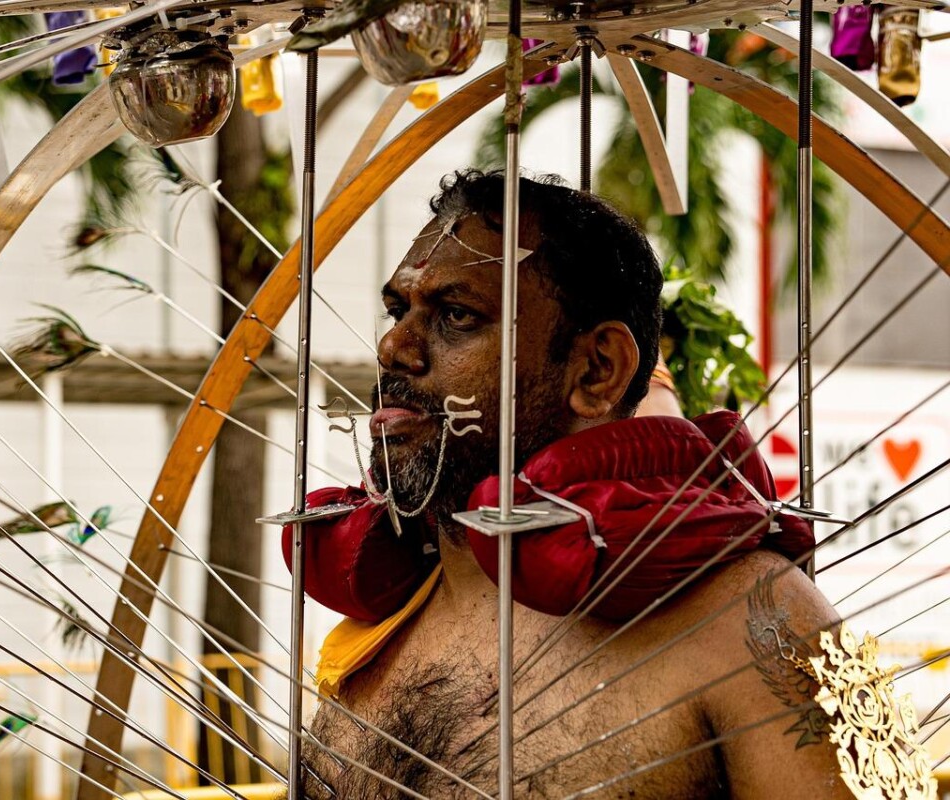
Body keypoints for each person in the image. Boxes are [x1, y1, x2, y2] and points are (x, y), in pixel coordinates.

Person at [295, 170, 852, 798]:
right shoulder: (387, 618)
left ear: (596, 370)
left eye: (456, 315)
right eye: (399, 310)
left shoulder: (753, 621)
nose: (394, 348)